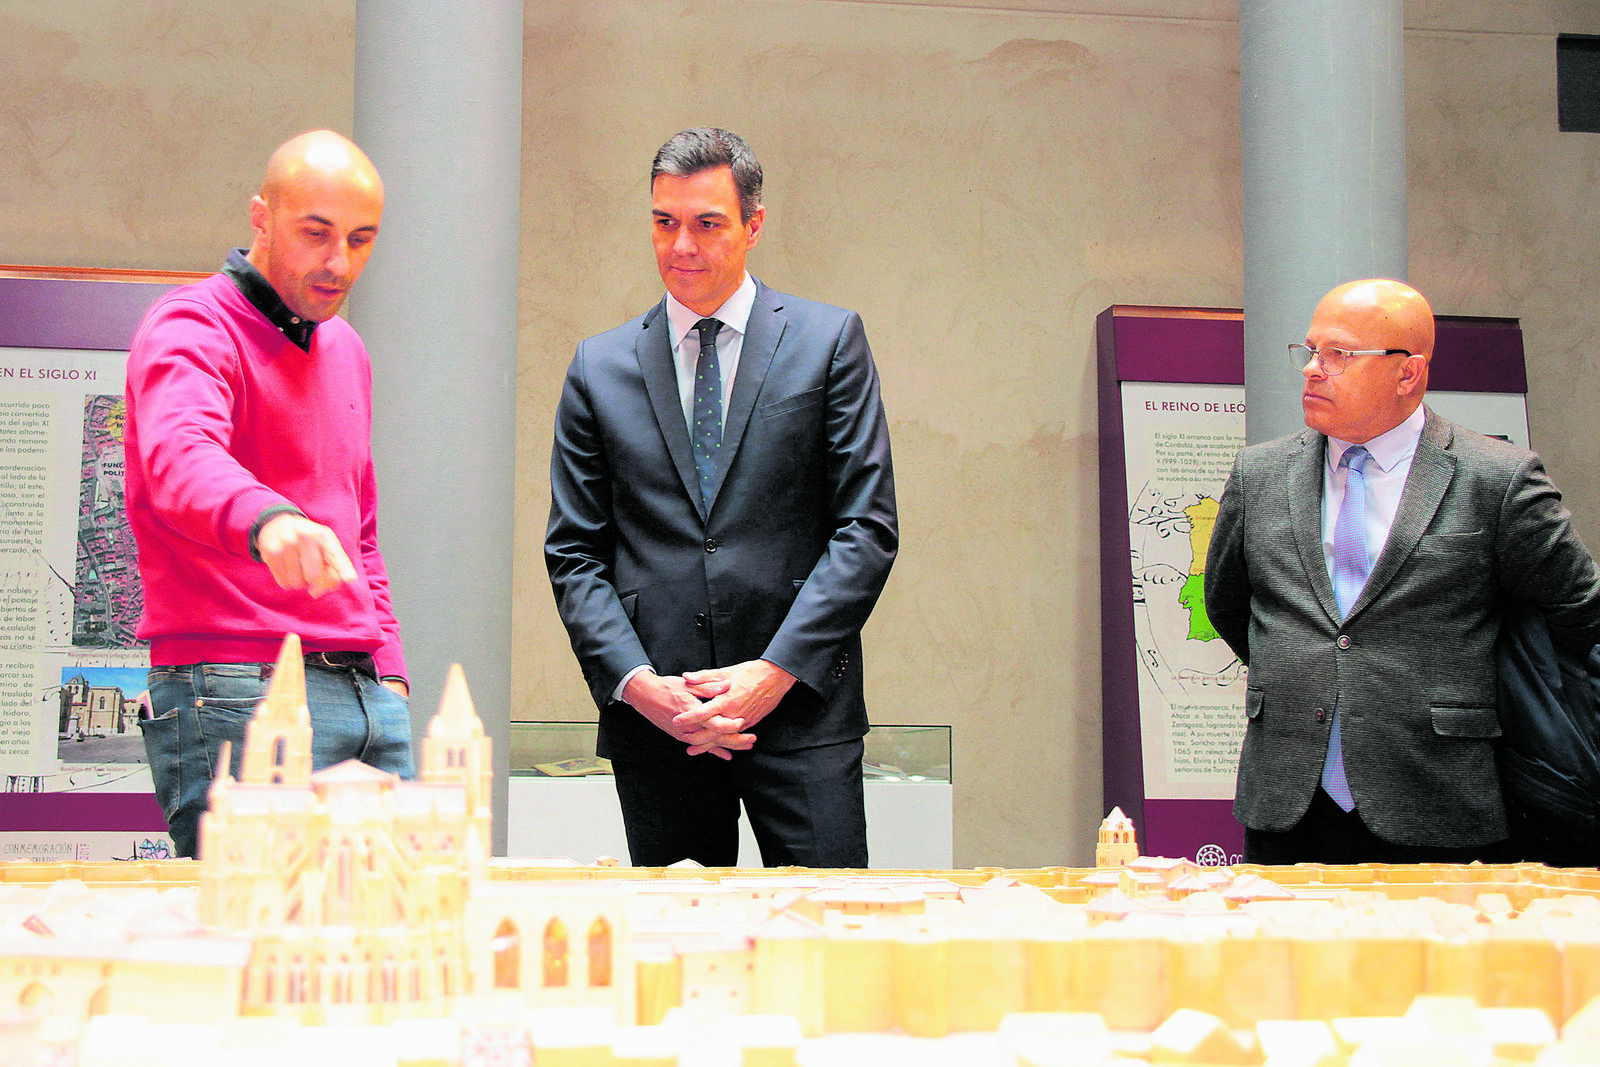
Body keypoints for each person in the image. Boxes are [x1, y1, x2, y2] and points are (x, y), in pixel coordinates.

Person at [545, 127, 898, 868]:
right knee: (676, 958)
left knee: (824, 949)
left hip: (800, 712)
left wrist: (771, 675)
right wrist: (642, 688)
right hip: (661, 723)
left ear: (753, 224)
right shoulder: (597, 367)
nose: (682, 245)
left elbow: (866, 528)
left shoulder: (828, 342)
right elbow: (574, 553)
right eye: (663, 222)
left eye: (707, 223)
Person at [1204, 278, 1600, 864]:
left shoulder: (1496, 478)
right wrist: (1312, 670)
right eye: (1311, 351)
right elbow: (1232, 606)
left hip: (1440, 800)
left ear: (1407, 373)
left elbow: (1577, 611)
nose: (1314, 369)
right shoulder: (1260, 473)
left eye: (1339, 354)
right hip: (1287, 798)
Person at [124, 130, 413, 858]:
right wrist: (269, 517)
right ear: (260, 217)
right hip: (239, 687)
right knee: (263, 949)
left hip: (366, 693)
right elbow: (179, 454)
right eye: (315, 234)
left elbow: (361, 533)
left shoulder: (346, 348)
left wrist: (392, 672)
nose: (338, 262)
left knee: (388, 944)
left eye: (361, 239)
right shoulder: (192, 324)